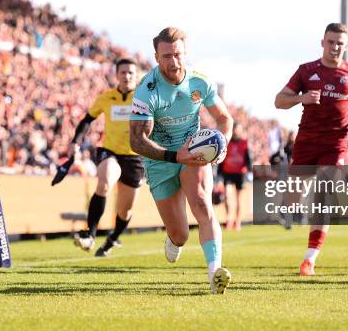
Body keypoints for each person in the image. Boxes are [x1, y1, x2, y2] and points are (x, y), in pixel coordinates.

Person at [129, 27, 234, 294]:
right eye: (166, 56)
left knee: (202, 204)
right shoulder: (146, 91)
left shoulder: (200, 83)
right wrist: (174, 156)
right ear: (156, 57)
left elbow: (225, 120)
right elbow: (137, 141)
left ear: (185, 53)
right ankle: (174, 240)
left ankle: (214, 274)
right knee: (180, 234)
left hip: (194, 153)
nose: (173, 62)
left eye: (178, 55)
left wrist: (221, 145)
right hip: (160, 159)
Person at [274, 22, 348, 276]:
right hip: (307, 142)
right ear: (322, 42)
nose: (335, 47)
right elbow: (279, 100)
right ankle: (286, 209)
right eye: (331, 42)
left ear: (346, 46)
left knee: (324, 192)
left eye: (340, 43)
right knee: (294, 195)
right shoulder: (306, 71)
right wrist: (301, 98)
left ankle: (310, 259)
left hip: (336, 143)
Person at [68, 58, 145, 257]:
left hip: (135, 157)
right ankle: (90, 234)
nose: (127, 76)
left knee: (125, 211)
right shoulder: (106, 98)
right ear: (116, 75)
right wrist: (75, 141)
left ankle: (111, 239)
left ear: (136, 76)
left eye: (131, 73)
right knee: (104, 182)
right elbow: (87, 120)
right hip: (111, 152)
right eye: (123, 72)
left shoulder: (143, 97)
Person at [220, 122, 252, 231]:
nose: (235, 131)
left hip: (240, 174)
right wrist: (219, 174)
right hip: (227, 173)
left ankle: (237, 222)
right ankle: (229, 220)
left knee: (239, 199)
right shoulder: (227, 142)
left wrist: (248, 170)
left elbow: (248, 160)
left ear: (240, 131)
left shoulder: (244, 143)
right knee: (227, 196)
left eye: (237, 129)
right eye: (234, 129)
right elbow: (221, 158)